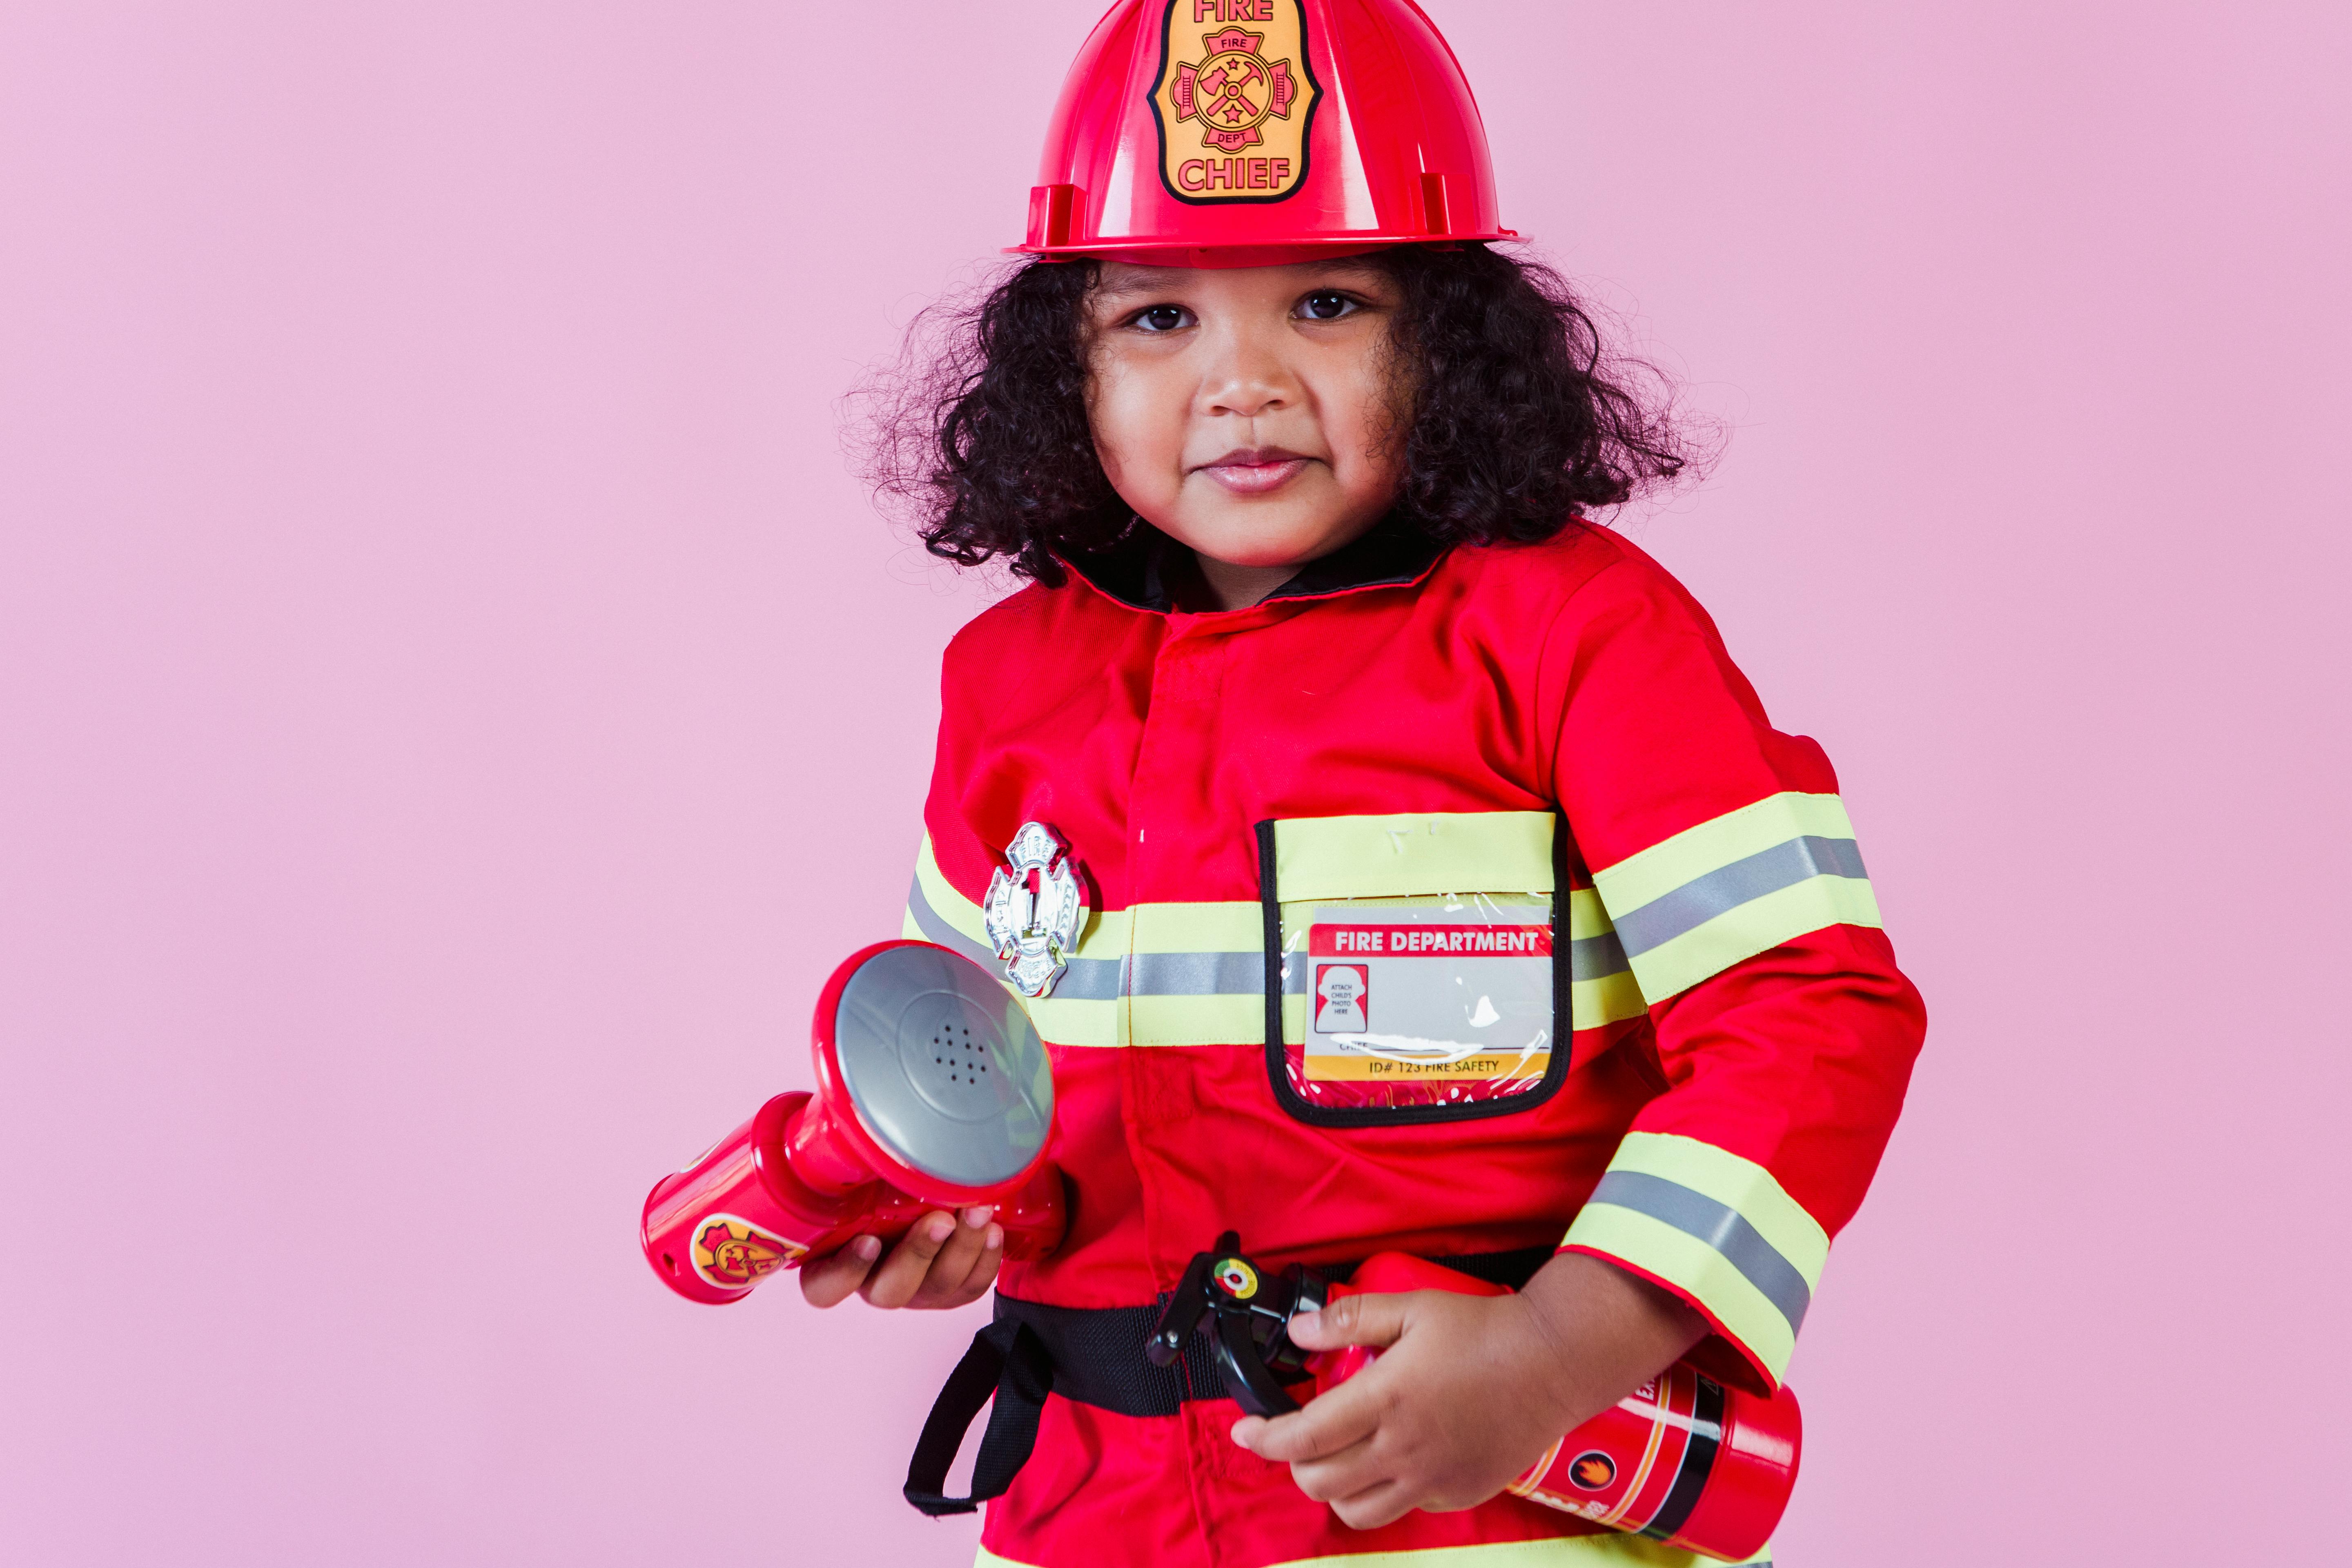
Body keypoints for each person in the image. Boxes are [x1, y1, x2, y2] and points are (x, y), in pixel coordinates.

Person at [800, 4, 1924, 1565]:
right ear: (1061, 363)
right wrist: (943, 1209)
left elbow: (1814, 1013)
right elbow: (1020, 1091)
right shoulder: (1005, 681)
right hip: (1097, 1523)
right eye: (1157, 319)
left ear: (1451, 343)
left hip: (1491, 1522)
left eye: (1325, 302)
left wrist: (1555, 1359)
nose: (1241, 382)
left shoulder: (1582, 637)